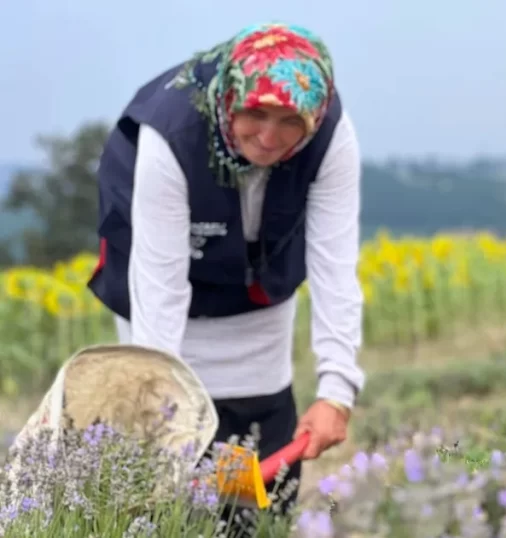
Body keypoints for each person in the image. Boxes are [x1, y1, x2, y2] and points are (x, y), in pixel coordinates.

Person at [86, 21, 365, 520]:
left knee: (256, 454)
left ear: (314, 115)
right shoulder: (169, 135)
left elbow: (334, 264)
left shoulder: (330, 134)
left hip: (256, 296)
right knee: (175, 469)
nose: (269, 137)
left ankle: (252, 525)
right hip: (165, 297)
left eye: (290, 121)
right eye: (255, 114)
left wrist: (336, 390)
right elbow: (160, 282)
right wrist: (158, 400)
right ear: (229, 103)